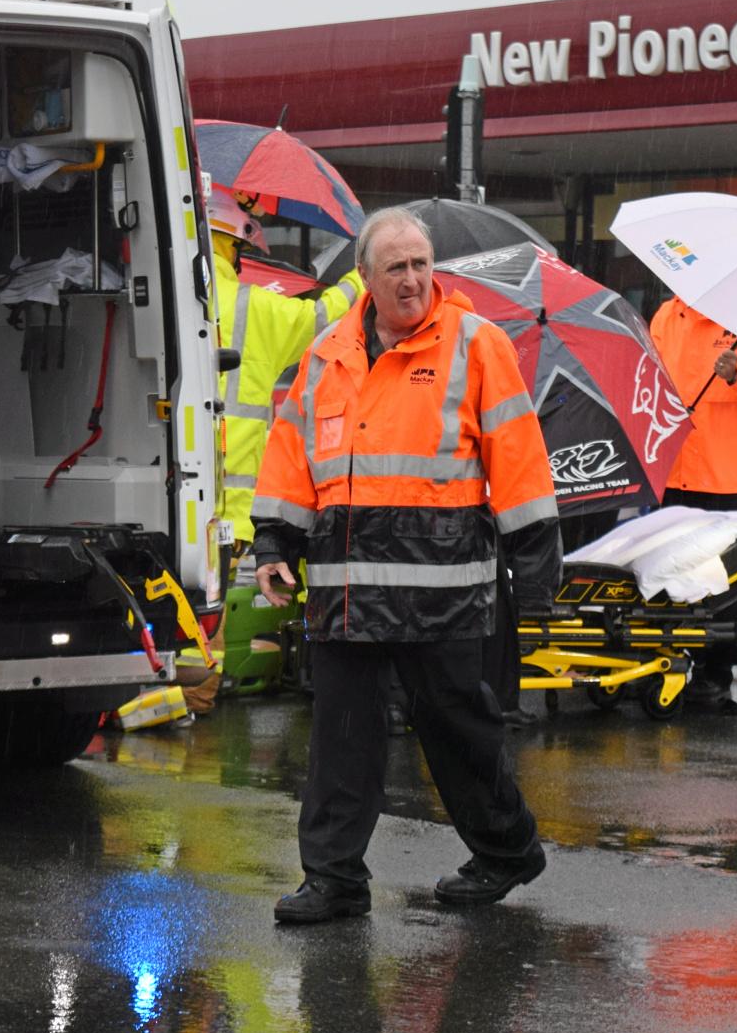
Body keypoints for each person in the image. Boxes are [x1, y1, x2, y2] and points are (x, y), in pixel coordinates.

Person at [252, 206, 561, 923]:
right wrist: (274, 544)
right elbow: (291, 460)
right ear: (366, 278)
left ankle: (507, 850)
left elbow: (517, 456)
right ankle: (333, 879)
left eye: (423, 264)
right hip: (348, 587)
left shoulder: (477, 344)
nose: (415, 279)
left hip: (441, 589)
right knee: (341, 739)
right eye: (398, 267)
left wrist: (536, 565)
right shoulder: (328, 354)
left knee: (457, 731)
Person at [182, 186, 362, 712]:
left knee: (160, 599)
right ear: (233, 247)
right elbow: (325, 317)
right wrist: (360, 273)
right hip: (225, 501)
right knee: (203, 612)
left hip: (158, 487)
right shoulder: (255, 309)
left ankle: (147, 692)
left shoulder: (162, 292)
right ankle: (190, 702)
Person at [648, 294, 737, 698]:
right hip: (677, 470)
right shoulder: (667, 315)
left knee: (726, 582)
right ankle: (673, 662)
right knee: (672, 574)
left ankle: (716, 672)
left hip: (734, 475)